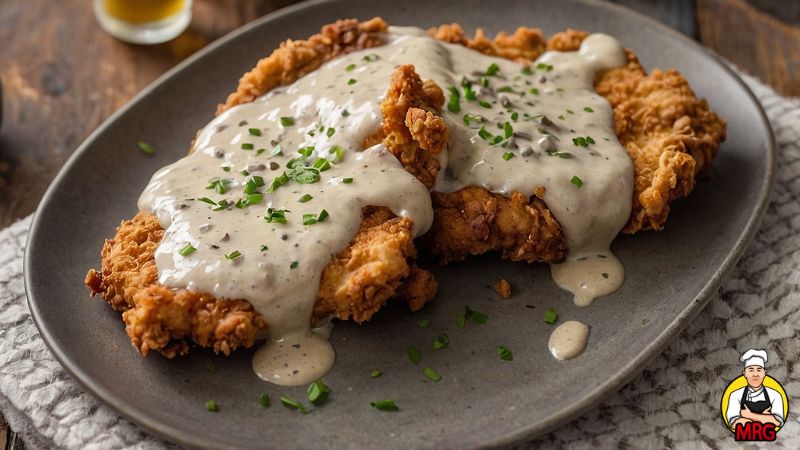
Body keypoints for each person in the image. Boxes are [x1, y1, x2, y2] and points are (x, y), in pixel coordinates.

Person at [725, 349, 784, 430]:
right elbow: (734, 423)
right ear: (744, 373)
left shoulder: (775, 395)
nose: (755, 374)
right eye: (751, 370)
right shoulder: (735, 395)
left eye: (759, 370)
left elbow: (777, 422)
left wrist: (749, 415)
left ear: (764, 373)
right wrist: (765, 418)